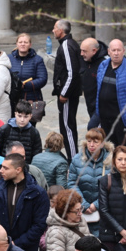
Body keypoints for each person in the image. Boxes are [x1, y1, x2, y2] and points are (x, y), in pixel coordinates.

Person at [0, 154, 50, 251]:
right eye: (1, 167)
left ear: (18, 170)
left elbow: (39, 225)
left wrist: (16, 243)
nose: (1, 171)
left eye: (6, 168)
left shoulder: (38, 194)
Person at [94, 39, 126, 150]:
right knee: (108, 149)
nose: (116, 53)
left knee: (125, 150)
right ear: (109, 51)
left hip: (122, 120)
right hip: (104, 118)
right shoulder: (103, 66)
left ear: (123, 51)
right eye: (113, 50)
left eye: (119, 50)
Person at [67, 128, 111, 236]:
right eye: (89, 141)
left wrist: (96, 205)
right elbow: (72, 183)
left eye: (96, 142)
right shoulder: (77, 159)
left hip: (103, 212)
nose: (91, 145)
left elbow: (112, 186)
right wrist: (84, 205)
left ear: (102, 144)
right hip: (81, 211)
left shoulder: (110, 161)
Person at [51, 20, 82, 157]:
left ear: (61, 30)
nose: (53, 31)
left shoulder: (66, 46)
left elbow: (72, 73)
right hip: (67, 94)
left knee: (68, 127)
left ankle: (74, 159)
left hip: (67, 96)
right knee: (66, 126)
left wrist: (64, 93)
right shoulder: (69, 43)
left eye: (54, 28)